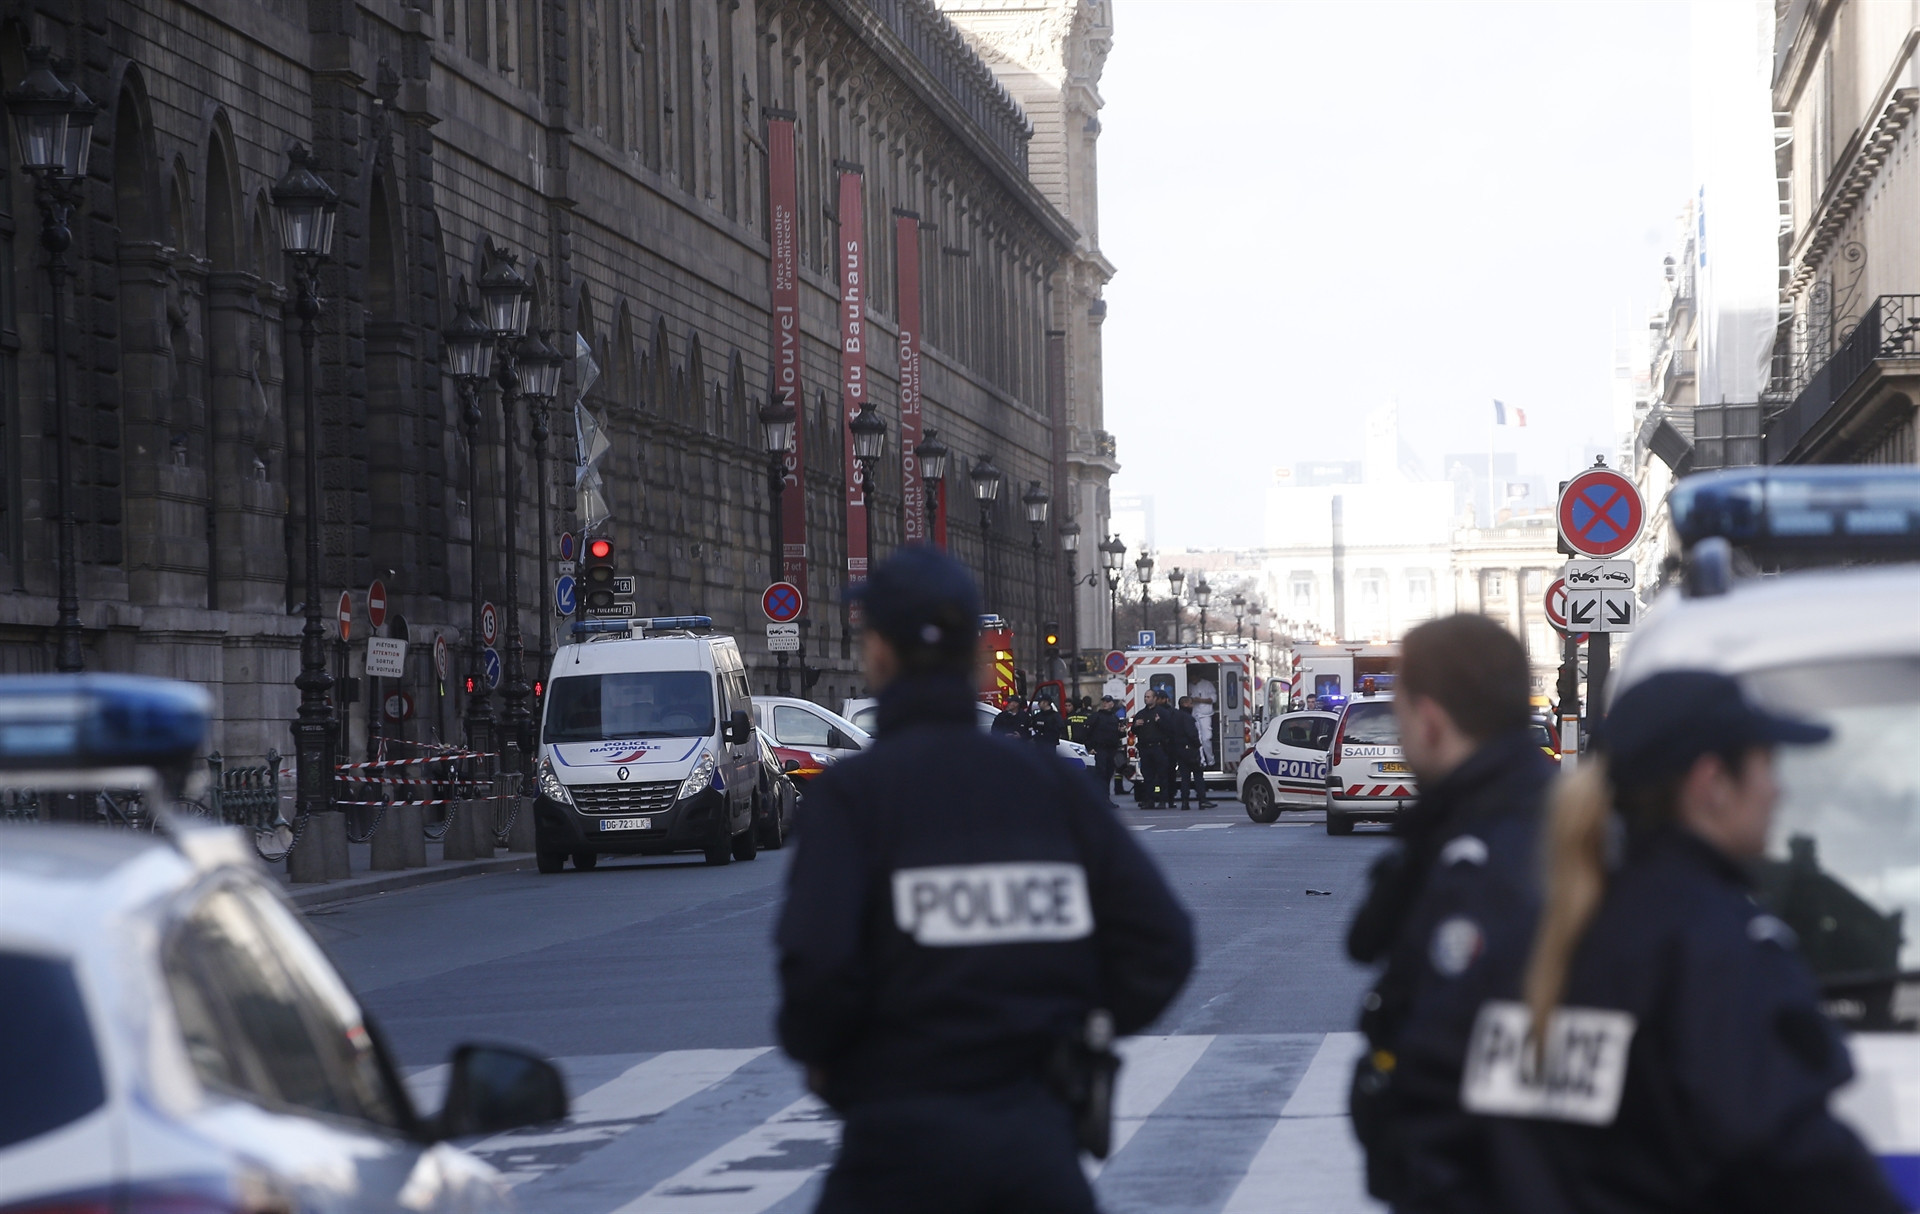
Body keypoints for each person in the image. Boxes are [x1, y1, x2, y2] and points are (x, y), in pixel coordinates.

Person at [776, 546, 1195, 1213]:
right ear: (975, 655)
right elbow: (1162, 945)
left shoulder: (854, 797)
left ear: (879, 651)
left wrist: (852, 1067)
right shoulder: (1052, 787)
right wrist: (1073, 1027)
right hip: (1036, 1140)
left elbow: (815, 970)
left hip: (897, 1144)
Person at [1454, 670, 1903, 1213]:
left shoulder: (1541, 937)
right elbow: (1798, 1159)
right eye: (1765, 765)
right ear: (1712, 783)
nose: (1777, 790)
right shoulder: (1718, 950)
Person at [1344, 614, 1555, 1206]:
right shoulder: (1514, 811)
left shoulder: (1486, 854)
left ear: (1431, 721)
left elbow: (1462, 1070)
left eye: (1401, 716)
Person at [1129, 690, 1177, 809]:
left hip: (1159, 747)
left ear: (1155, 698)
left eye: (1149, 697)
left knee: (1162, 775)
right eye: (1145, 697)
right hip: (1145, 748)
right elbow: (1133, 731)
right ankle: (1149, 800)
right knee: (1147, 776)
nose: (1146, 699)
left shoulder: (1163, 713)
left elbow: (1170, 730)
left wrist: (1159, 722)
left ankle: (1163, 800)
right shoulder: (1141, 714)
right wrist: (1135, 725)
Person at [1172, 697, 1214, 810]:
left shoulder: (1175, 716)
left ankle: (1185, 802)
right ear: (1185, 704)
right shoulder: (1188, 718)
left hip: (1180, 750)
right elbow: (1192, 734)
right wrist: (1197, 744)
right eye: (1190, 703)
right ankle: (1202, 800)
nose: (1192, 706)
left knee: (1185, 778)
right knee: (1198, 775)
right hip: (1191, 750)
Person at [1087, 696, 1124, 803]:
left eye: (1107, 702)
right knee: (1101, 774)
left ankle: (1106, 798)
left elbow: (1118, 735)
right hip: (1100, 749)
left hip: (1111, 749)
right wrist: (1090, 747)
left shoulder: (1114, 718)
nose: (1105, 704)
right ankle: (1100, 799)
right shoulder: (1096, 717)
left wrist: (1121, 732)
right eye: (1103, 702)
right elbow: (1087, 733)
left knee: (1108, 774)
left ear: (1112, 704)